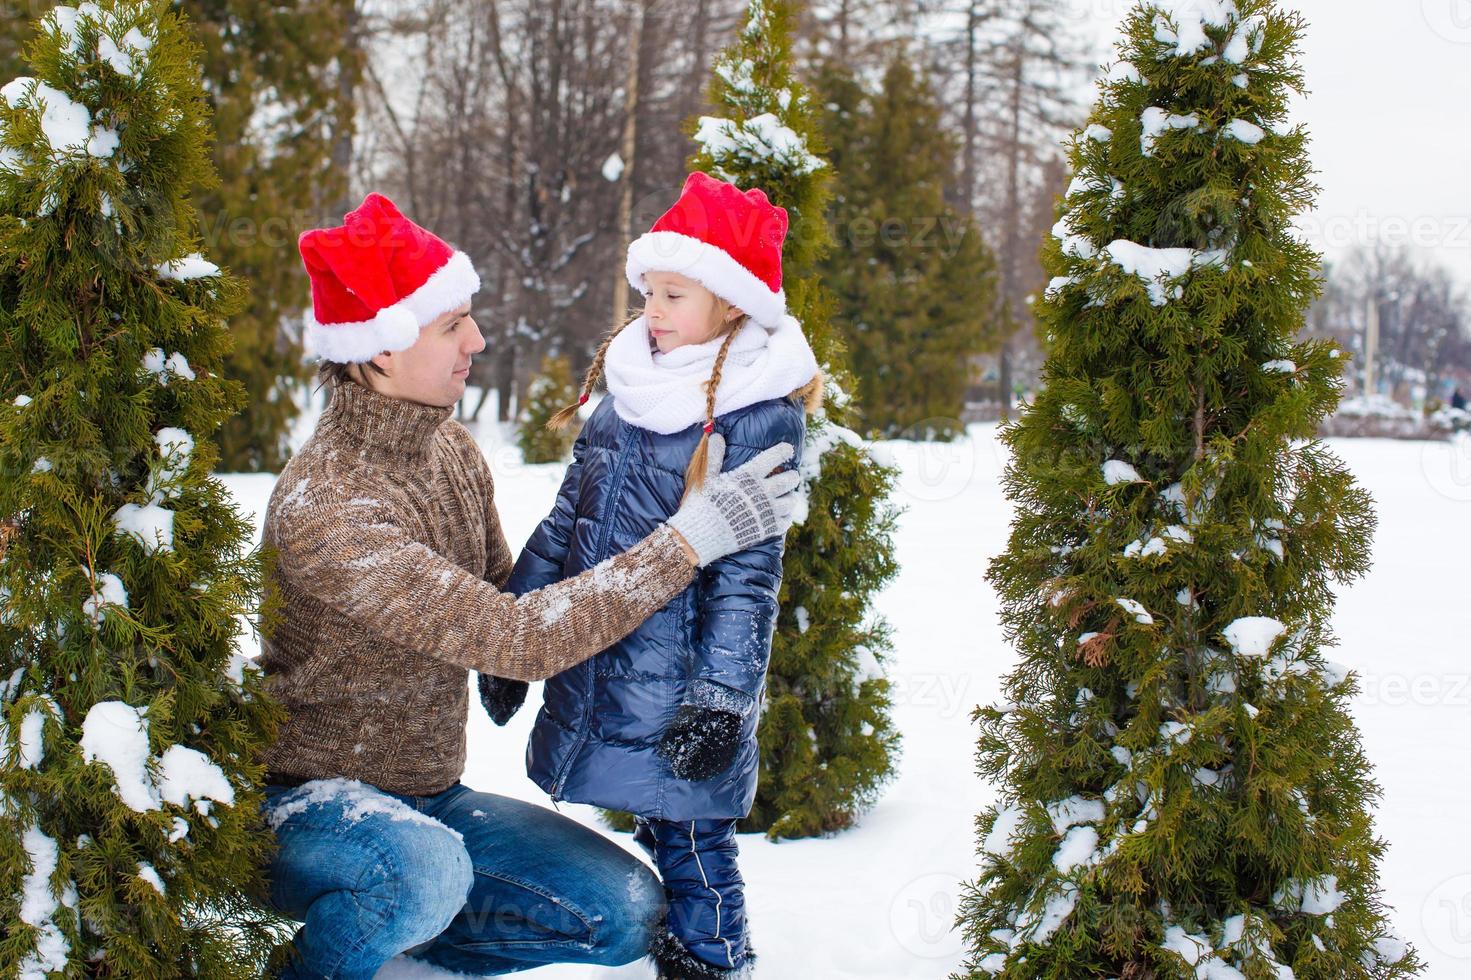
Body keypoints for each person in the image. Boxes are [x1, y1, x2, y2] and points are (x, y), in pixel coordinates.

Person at [254, 190, 802, 979]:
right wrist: (687, 539)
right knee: (419, 872)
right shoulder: (330, 506)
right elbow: (520, 636)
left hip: (431, 800)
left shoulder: (448, 452)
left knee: (623, 913)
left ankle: (405, 934)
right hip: (308, 807)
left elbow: (514, 596)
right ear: (380, 349)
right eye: (452, 326)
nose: (476, 338)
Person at [480, 172, 821, 979]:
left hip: (685, 679)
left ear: (732, 304)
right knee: (656, 826)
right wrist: (510, 639)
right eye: (648, 293)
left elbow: (748, 581)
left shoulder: (756, 410)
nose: (652, 312)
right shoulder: (624, 394)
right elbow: (566, 527)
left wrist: (720, 701)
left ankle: (714, 960)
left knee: (694, 838)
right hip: (605, 654)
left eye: (674, 294)